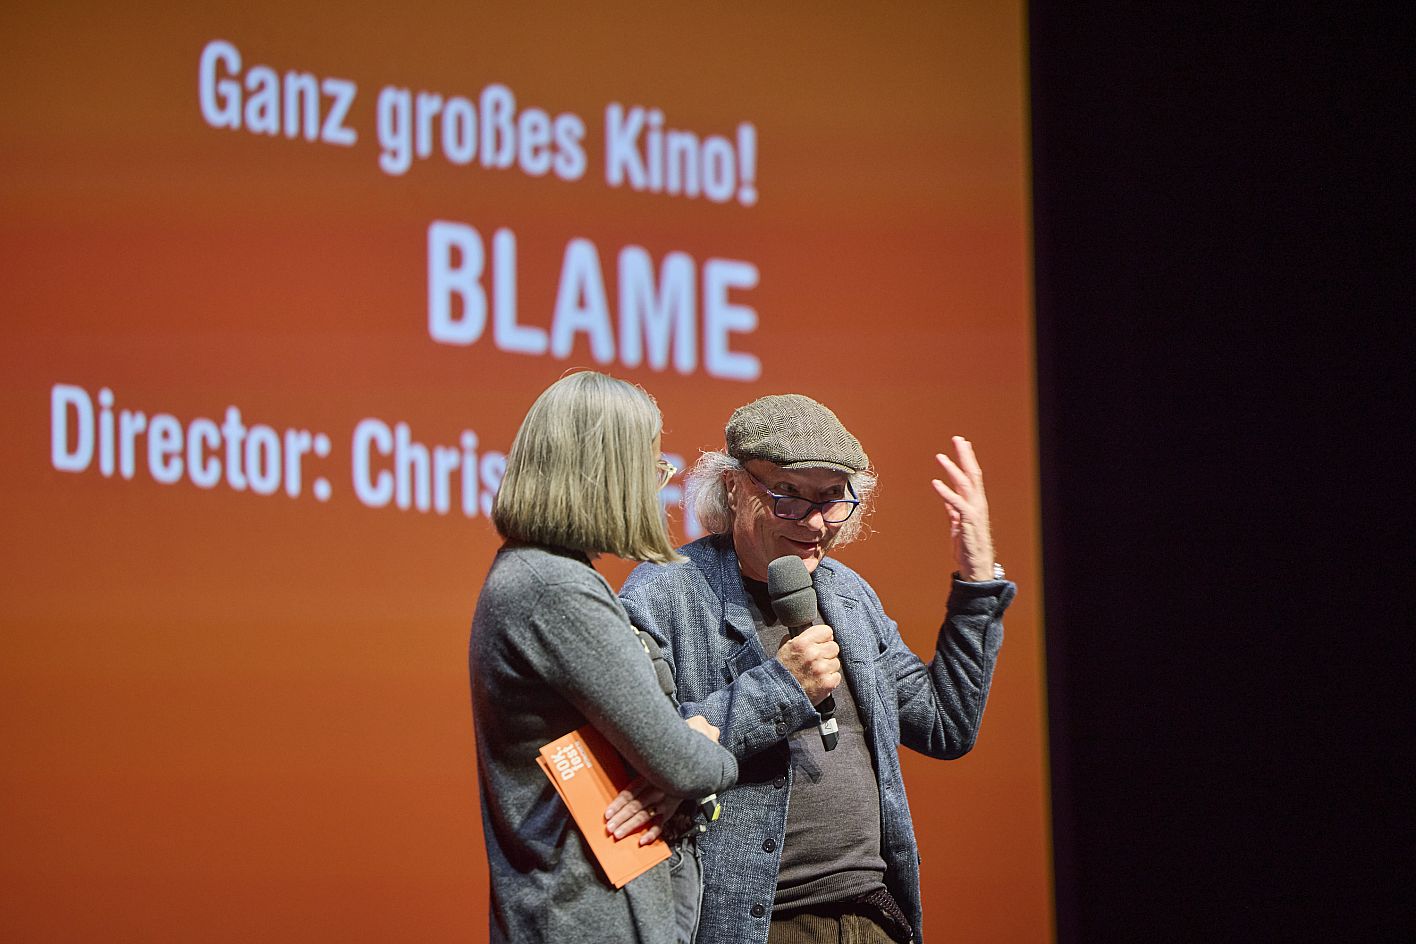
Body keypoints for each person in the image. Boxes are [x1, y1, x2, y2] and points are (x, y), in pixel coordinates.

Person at [617, 394, 1015, 944]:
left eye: (831, 498)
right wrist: (782, 687)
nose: (814, 522)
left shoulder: (848, 595)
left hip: (872, 918)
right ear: (733, 487)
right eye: (789, 495)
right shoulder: (667, 591)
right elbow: (643, 754)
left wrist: (977, 580)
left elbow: (945, 725)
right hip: (755, 925)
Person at [469, 371, 738, 944]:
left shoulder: (539, 576)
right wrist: (710, 744)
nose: (657, 487)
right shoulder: (556, 588)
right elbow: (682, 763)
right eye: (652, 467)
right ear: (609, 473)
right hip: (587, 917)